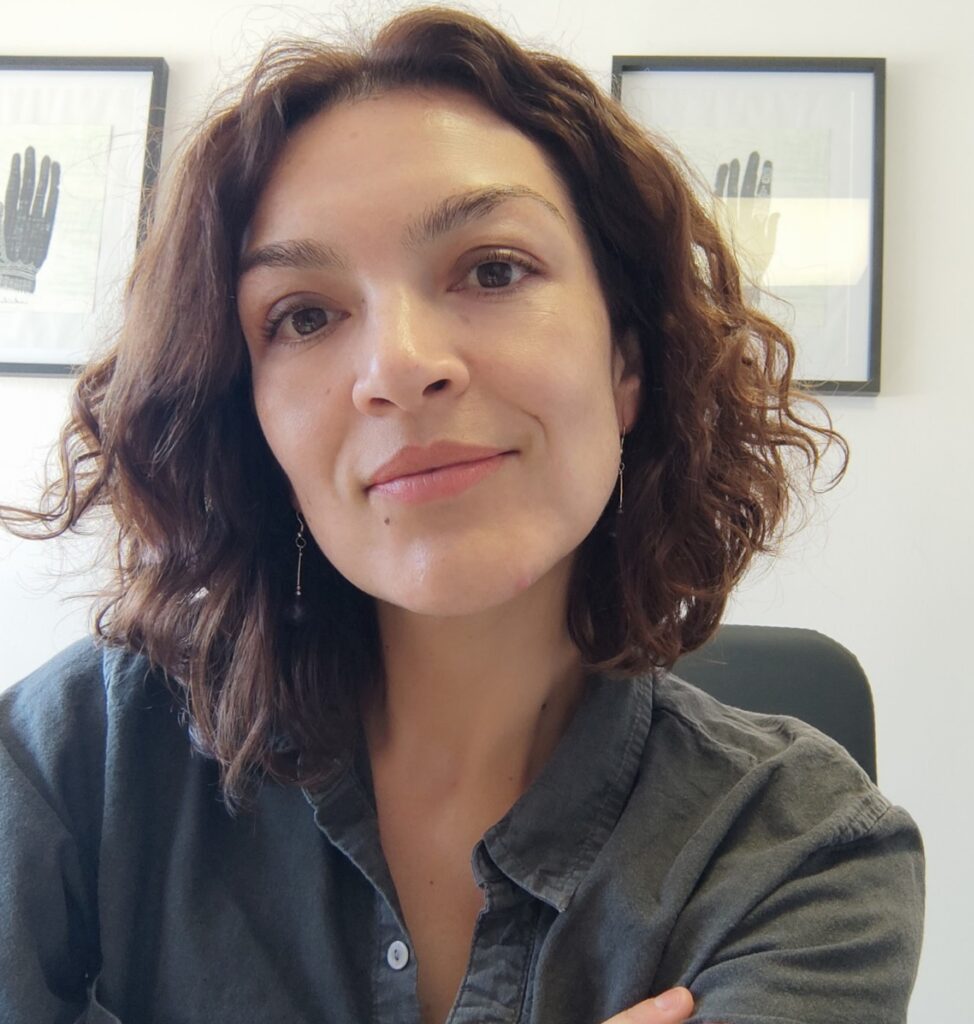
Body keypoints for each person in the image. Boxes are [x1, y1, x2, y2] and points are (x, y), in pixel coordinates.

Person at [0, 7, 924, 1023]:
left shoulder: (802, 848)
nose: (399, 366)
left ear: (626, 363)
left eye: (493, 269)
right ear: (252, 419)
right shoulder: (75, 758)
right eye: (304, 315)